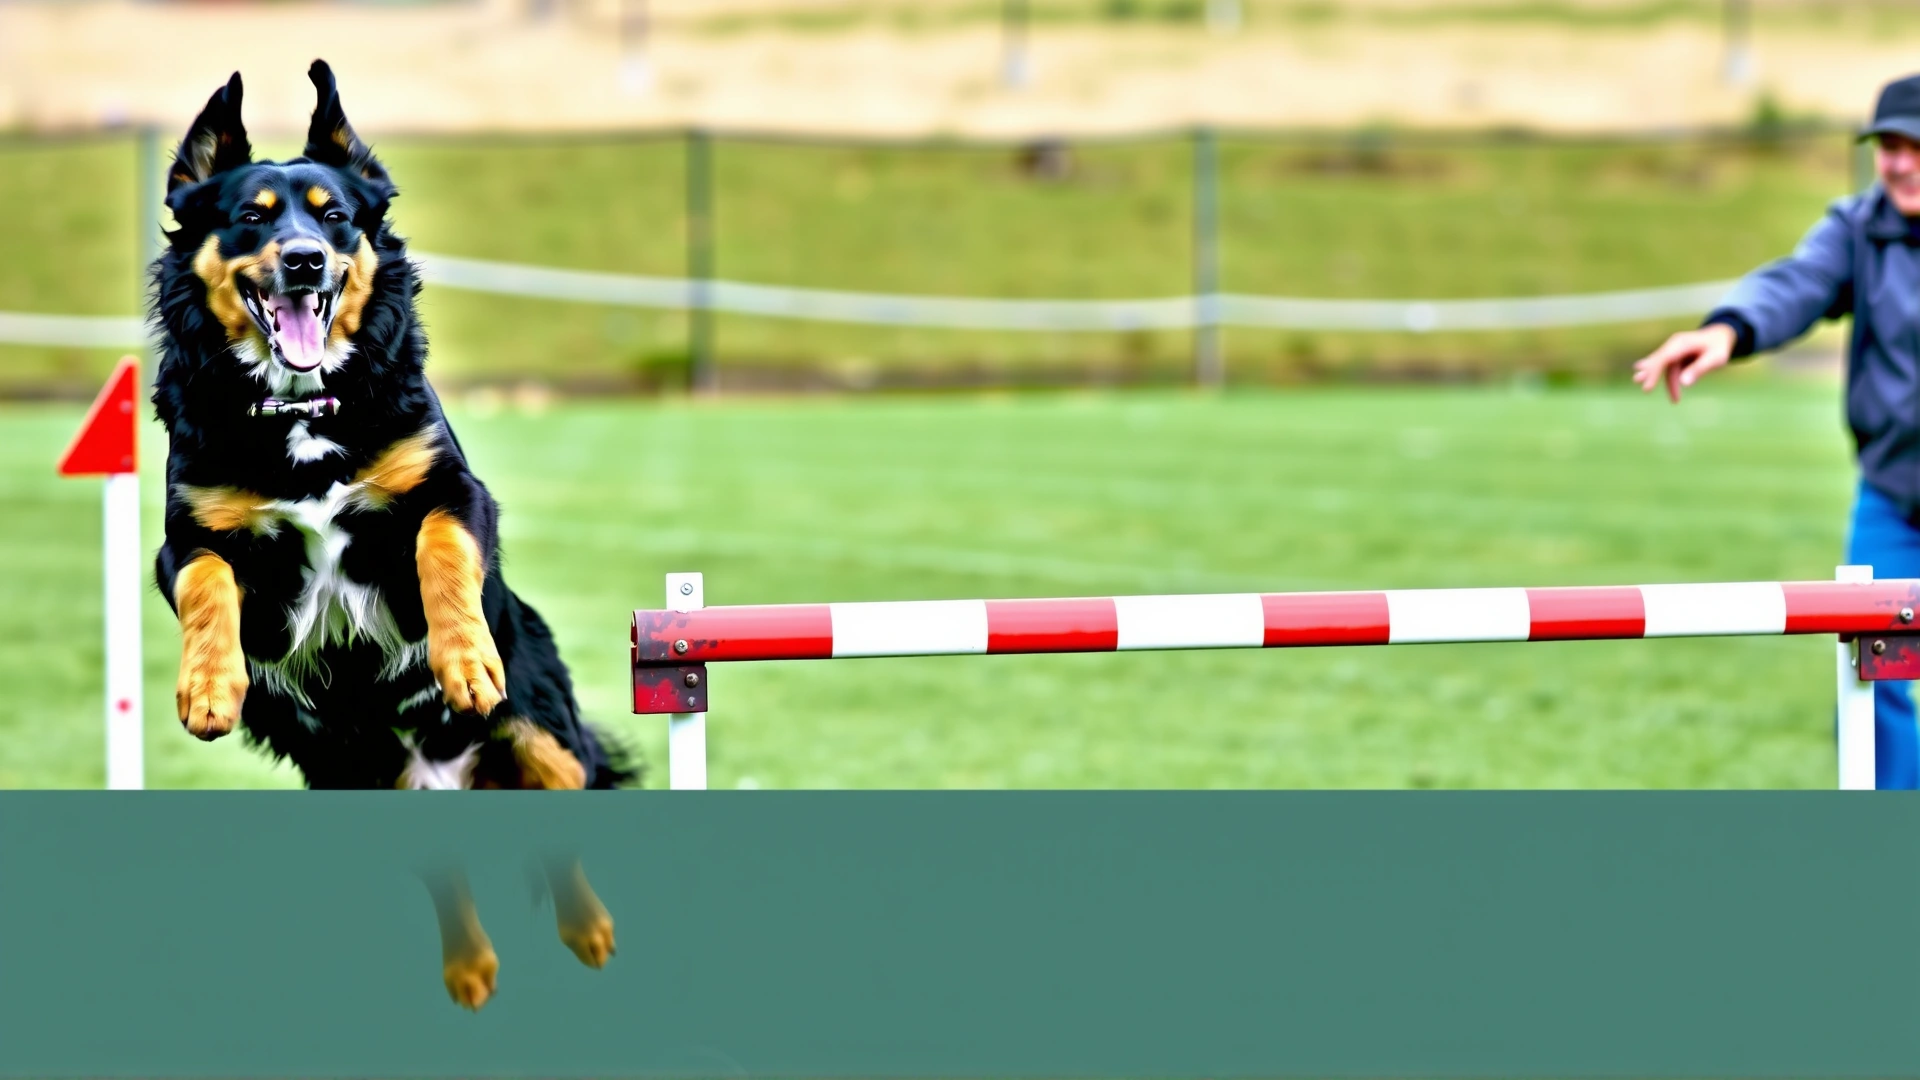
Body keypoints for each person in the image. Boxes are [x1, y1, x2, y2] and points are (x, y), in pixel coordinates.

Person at [1633, 72, 1920, 789]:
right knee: (1874, 674)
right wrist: (1730, 330)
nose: (1900, 162)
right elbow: (1797, 282)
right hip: (1892, 497)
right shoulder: (1859, 230)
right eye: (1888, 145)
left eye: (1916, 146)